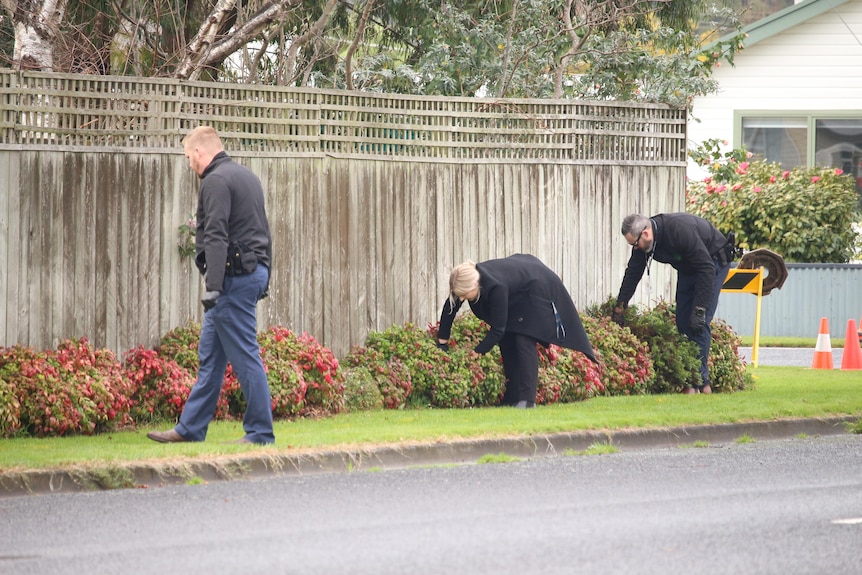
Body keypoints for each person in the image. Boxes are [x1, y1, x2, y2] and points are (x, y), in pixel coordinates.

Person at [148, 126, 275, 444]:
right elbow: (262, 230)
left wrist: (214, 286)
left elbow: (216, 233)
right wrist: (265, 273)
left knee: (245, 355)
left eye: (188, 156)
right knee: (212, 356)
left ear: (200, 152)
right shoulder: (246, 176)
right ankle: (190, 429)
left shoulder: (216, 181)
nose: (189, 162)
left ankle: (260, 433)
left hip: (235, 279)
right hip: (249, 273)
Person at [436, 254, 596, 408]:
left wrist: (478, 351)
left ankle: (527, 401)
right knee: (507, 339)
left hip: (536, 288)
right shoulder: (465, 281)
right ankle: (512, 398)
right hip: (516, 290)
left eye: (464, 295)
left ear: (475, 285)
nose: (462, 299)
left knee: (523, 339)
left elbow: (497, 330)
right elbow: (450, 309)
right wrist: (442, 342)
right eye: (459, 295)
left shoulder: (495, 287)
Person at [612, 213, 733, 394]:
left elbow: (706, 267)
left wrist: (699, 309)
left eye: (634, 244)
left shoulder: (677, 230)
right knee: (683, 322)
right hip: (688, 268)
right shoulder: (644, 246)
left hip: (712, 262)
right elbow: (632, 274)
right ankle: (691, 383)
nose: (634, 248)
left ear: (645, 234)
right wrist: (619, 308)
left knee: (698, 323)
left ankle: (701, 384)